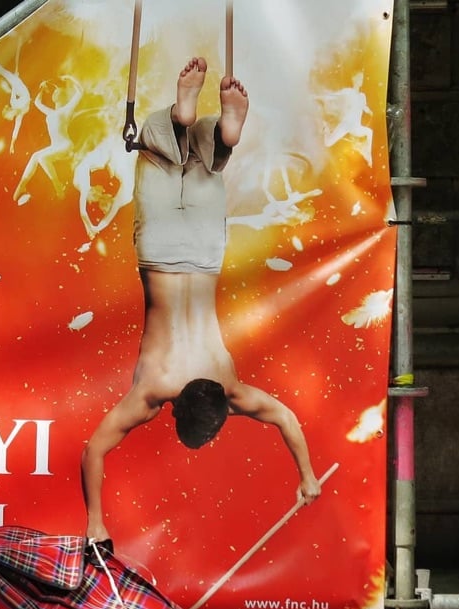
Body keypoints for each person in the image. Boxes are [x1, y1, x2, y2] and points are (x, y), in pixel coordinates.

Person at [81, 56, 321, 544]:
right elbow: (94, 451)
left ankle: (215, 133)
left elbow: (286, 418)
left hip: (206, 252)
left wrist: (308, 475)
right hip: (161, 254)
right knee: (156, 153)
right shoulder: (150, 395)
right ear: (174, 411)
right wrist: (96, 522)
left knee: (207, 170)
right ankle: (183, 121)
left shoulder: (231, 388)